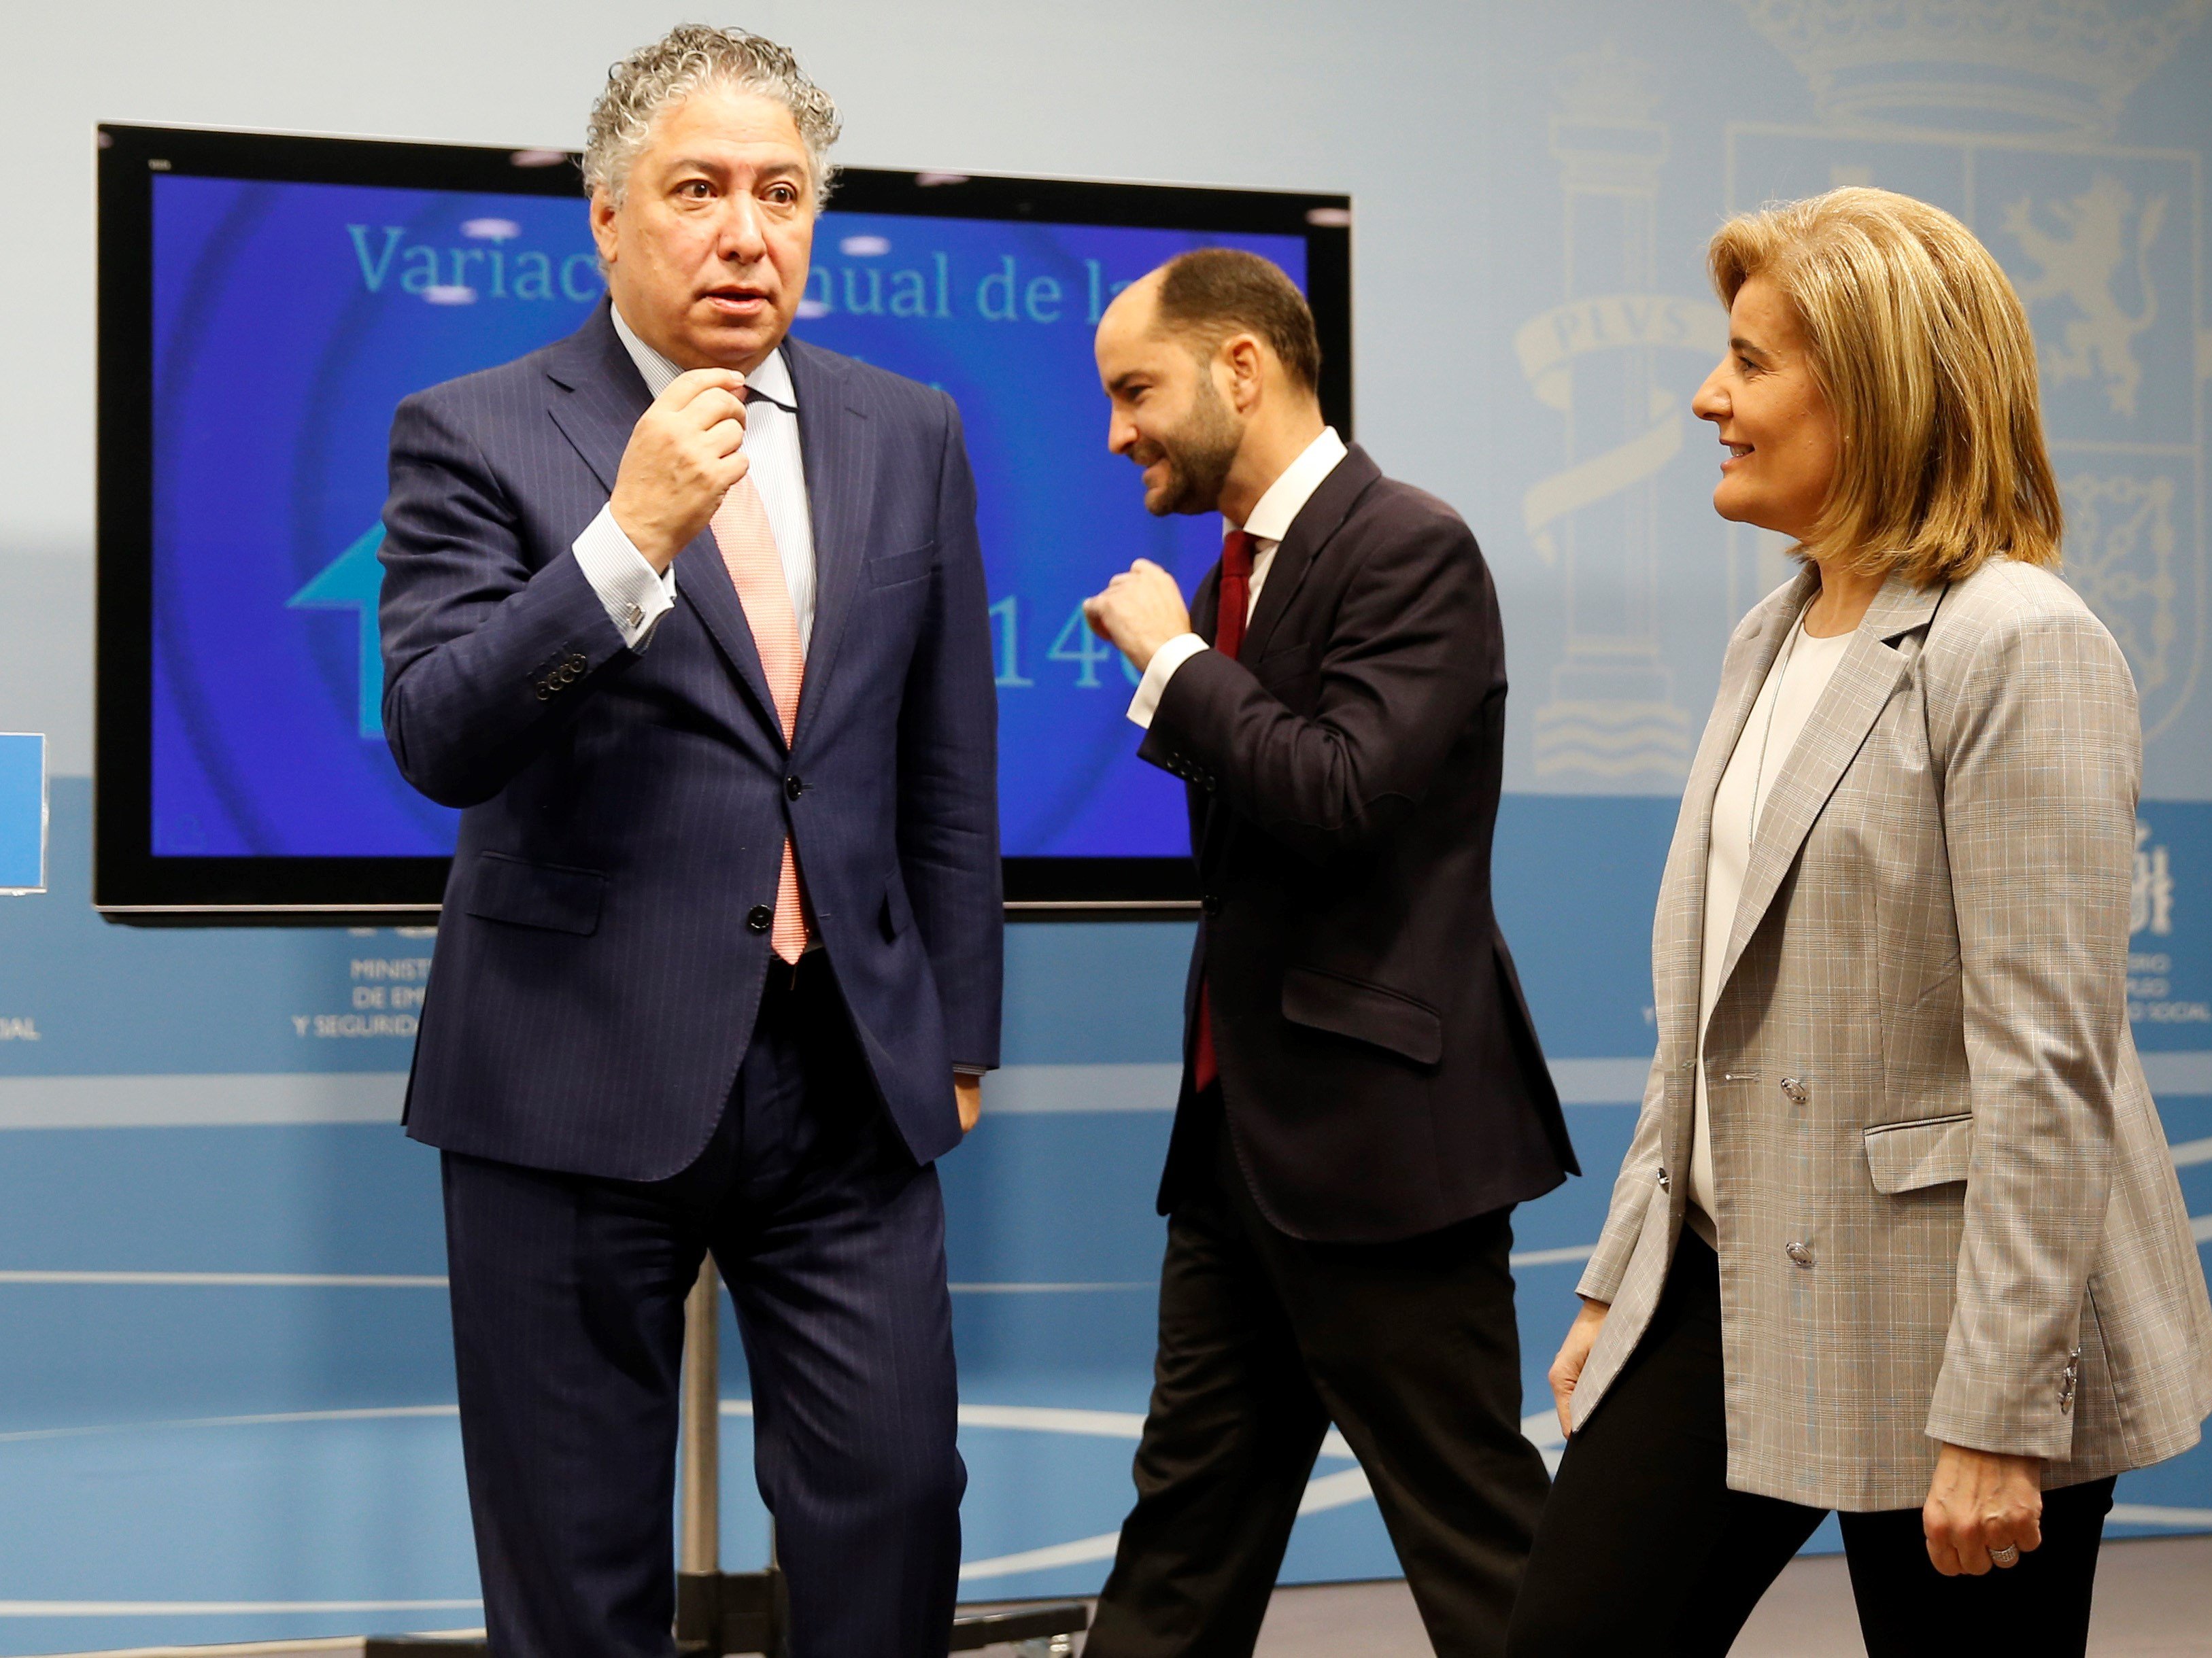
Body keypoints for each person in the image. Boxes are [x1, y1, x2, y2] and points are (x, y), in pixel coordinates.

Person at [1503, 187, 2212, 1658]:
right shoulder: (1769, 633)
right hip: (1726, 1267)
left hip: (1955, 1308)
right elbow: (1714, 1011)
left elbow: (2046, 1063)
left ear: (1883, 393)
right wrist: (1621, 1277)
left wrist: (2001, 1412)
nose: (1711, 396)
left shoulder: (2021, 641)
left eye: (1753, 363)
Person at [377, 25, 1000, 1657]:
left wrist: (959, 1025)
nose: (747, 231)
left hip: (847, 1069)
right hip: (568, 1068)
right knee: (577, 1569)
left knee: (893, 1502)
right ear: (605, 214)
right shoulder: (473, 428)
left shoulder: (906, 427)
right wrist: (628, 534)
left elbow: (945, 759)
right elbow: (440, 732)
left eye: (782, 193)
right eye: (701, 189)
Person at [1077, 249, 1578, 1658]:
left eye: (1136, 391)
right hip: (1240, 1152)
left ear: (1242, 367)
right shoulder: (1239, 567)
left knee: (1478, 1546)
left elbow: (1348, 793)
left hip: (1384, 1151)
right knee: (1181, 1539)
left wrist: (1174, 667)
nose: (1117, 433)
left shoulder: (1410, 543)